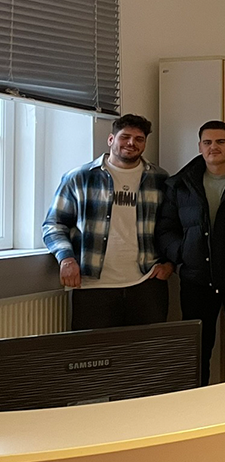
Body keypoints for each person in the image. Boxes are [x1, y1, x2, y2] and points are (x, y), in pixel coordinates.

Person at [156, 121, 225, 384]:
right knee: (197, 351)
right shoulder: (180, 184)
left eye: (220, 141)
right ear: (199, 147)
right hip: (197, 280)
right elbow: (165, 228)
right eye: (207, 142)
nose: (213, 147)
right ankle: (196, 405)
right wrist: (182, 254)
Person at [44, 114, 172, 330]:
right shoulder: (79, 177)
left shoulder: (160, 179)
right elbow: (54, 224)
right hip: (93, 286)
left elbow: (171, 226)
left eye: (139, 139)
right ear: (111, 139)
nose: (131, 143)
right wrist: (66, 258)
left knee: (147, 349)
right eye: (125, 137)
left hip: (147, 283)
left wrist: (169, 263)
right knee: (93, 350)